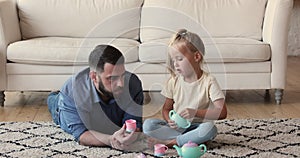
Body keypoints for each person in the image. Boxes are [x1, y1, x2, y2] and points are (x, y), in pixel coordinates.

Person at [47, 44, 144, 150]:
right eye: (112, 78)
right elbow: (81, 135)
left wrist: (130, 136)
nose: (121, 83)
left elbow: (134, 123)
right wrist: (111, 140)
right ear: (94, 77)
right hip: (62, 106)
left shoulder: (133, 83)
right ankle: (54, 96)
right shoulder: (73, 90)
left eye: (123, 75)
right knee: (53, 100)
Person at [143, 29, 227, 147]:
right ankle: (191, 140)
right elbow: (166, 109)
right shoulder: (174, 81)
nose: (175, 64)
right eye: (173, 60)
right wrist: (169, 121)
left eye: (180, 59)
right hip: (177, 129)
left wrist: (195, 112)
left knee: (209, 129)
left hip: (197, 126)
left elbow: (222, 112)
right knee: (148, 125)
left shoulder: (209, 81)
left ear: (197, 56)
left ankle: (171, 142)